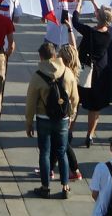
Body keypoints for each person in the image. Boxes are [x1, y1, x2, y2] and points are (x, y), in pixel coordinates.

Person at [25, 42, 77, 198]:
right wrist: (71, 116)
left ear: (41, 57)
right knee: (62, 152)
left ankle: (45, 187)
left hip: (43, 118)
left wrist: (29, 122)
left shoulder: (37, 76)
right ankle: (65, 186)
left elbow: (30, 102)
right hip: (62, 118)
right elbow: (75, 98)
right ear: (55, 55)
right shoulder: (67, 73)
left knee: (45, 153)